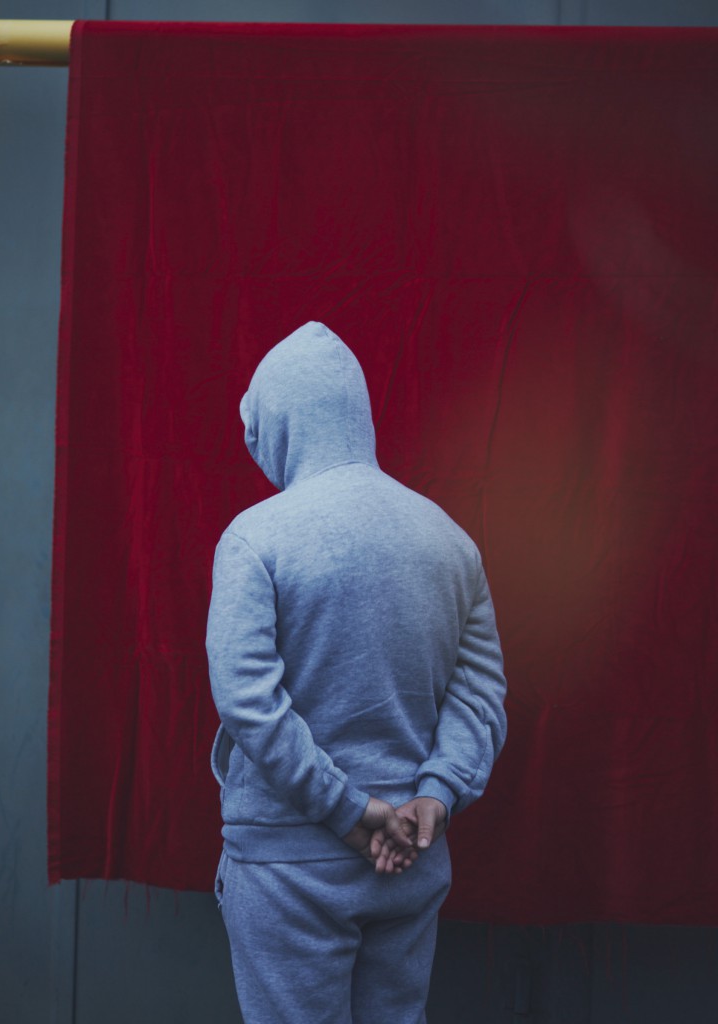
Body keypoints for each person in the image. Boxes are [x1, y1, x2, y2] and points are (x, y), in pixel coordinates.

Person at [206, 321, 507, 1024]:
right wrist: (434, 797)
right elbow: (481, 694)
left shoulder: (254, 539)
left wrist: (347, 813)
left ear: (282, 422)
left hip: (287, 865)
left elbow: (247, 701)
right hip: (410, 856)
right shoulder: (451, 541)